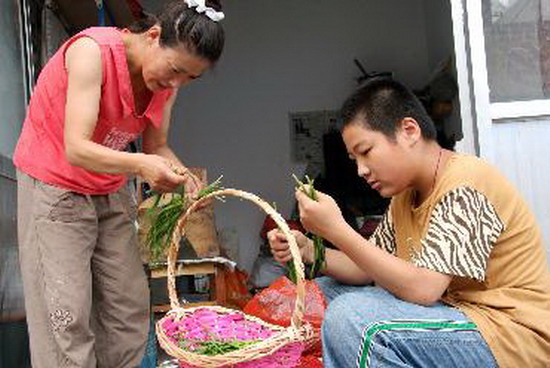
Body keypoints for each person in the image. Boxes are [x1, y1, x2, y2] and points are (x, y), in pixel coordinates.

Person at [269, 78, 550, 367]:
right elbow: (364, 269)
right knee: (325, 292)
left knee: (350, 317)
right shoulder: (404, 197)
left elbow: (425, 289)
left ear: (409, 131)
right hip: (456, 317)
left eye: (365, 152)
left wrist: (337, 229)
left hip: (508, 335)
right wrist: (310, 251)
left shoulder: (466, 183)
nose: (361, 170)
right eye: (354, 159)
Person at [13, 1, 225, 367]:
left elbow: (157, 147)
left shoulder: (166, 84)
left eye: (190, 78)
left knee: (127, 309)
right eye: (174, 70)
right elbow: (76, 148)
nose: (175, 84)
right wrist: (142, 166)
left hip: (107, 186)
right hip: (54, 186)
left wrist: (186, 181)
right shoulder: (92, 52)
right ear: (155, 36)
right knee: (66, 316)